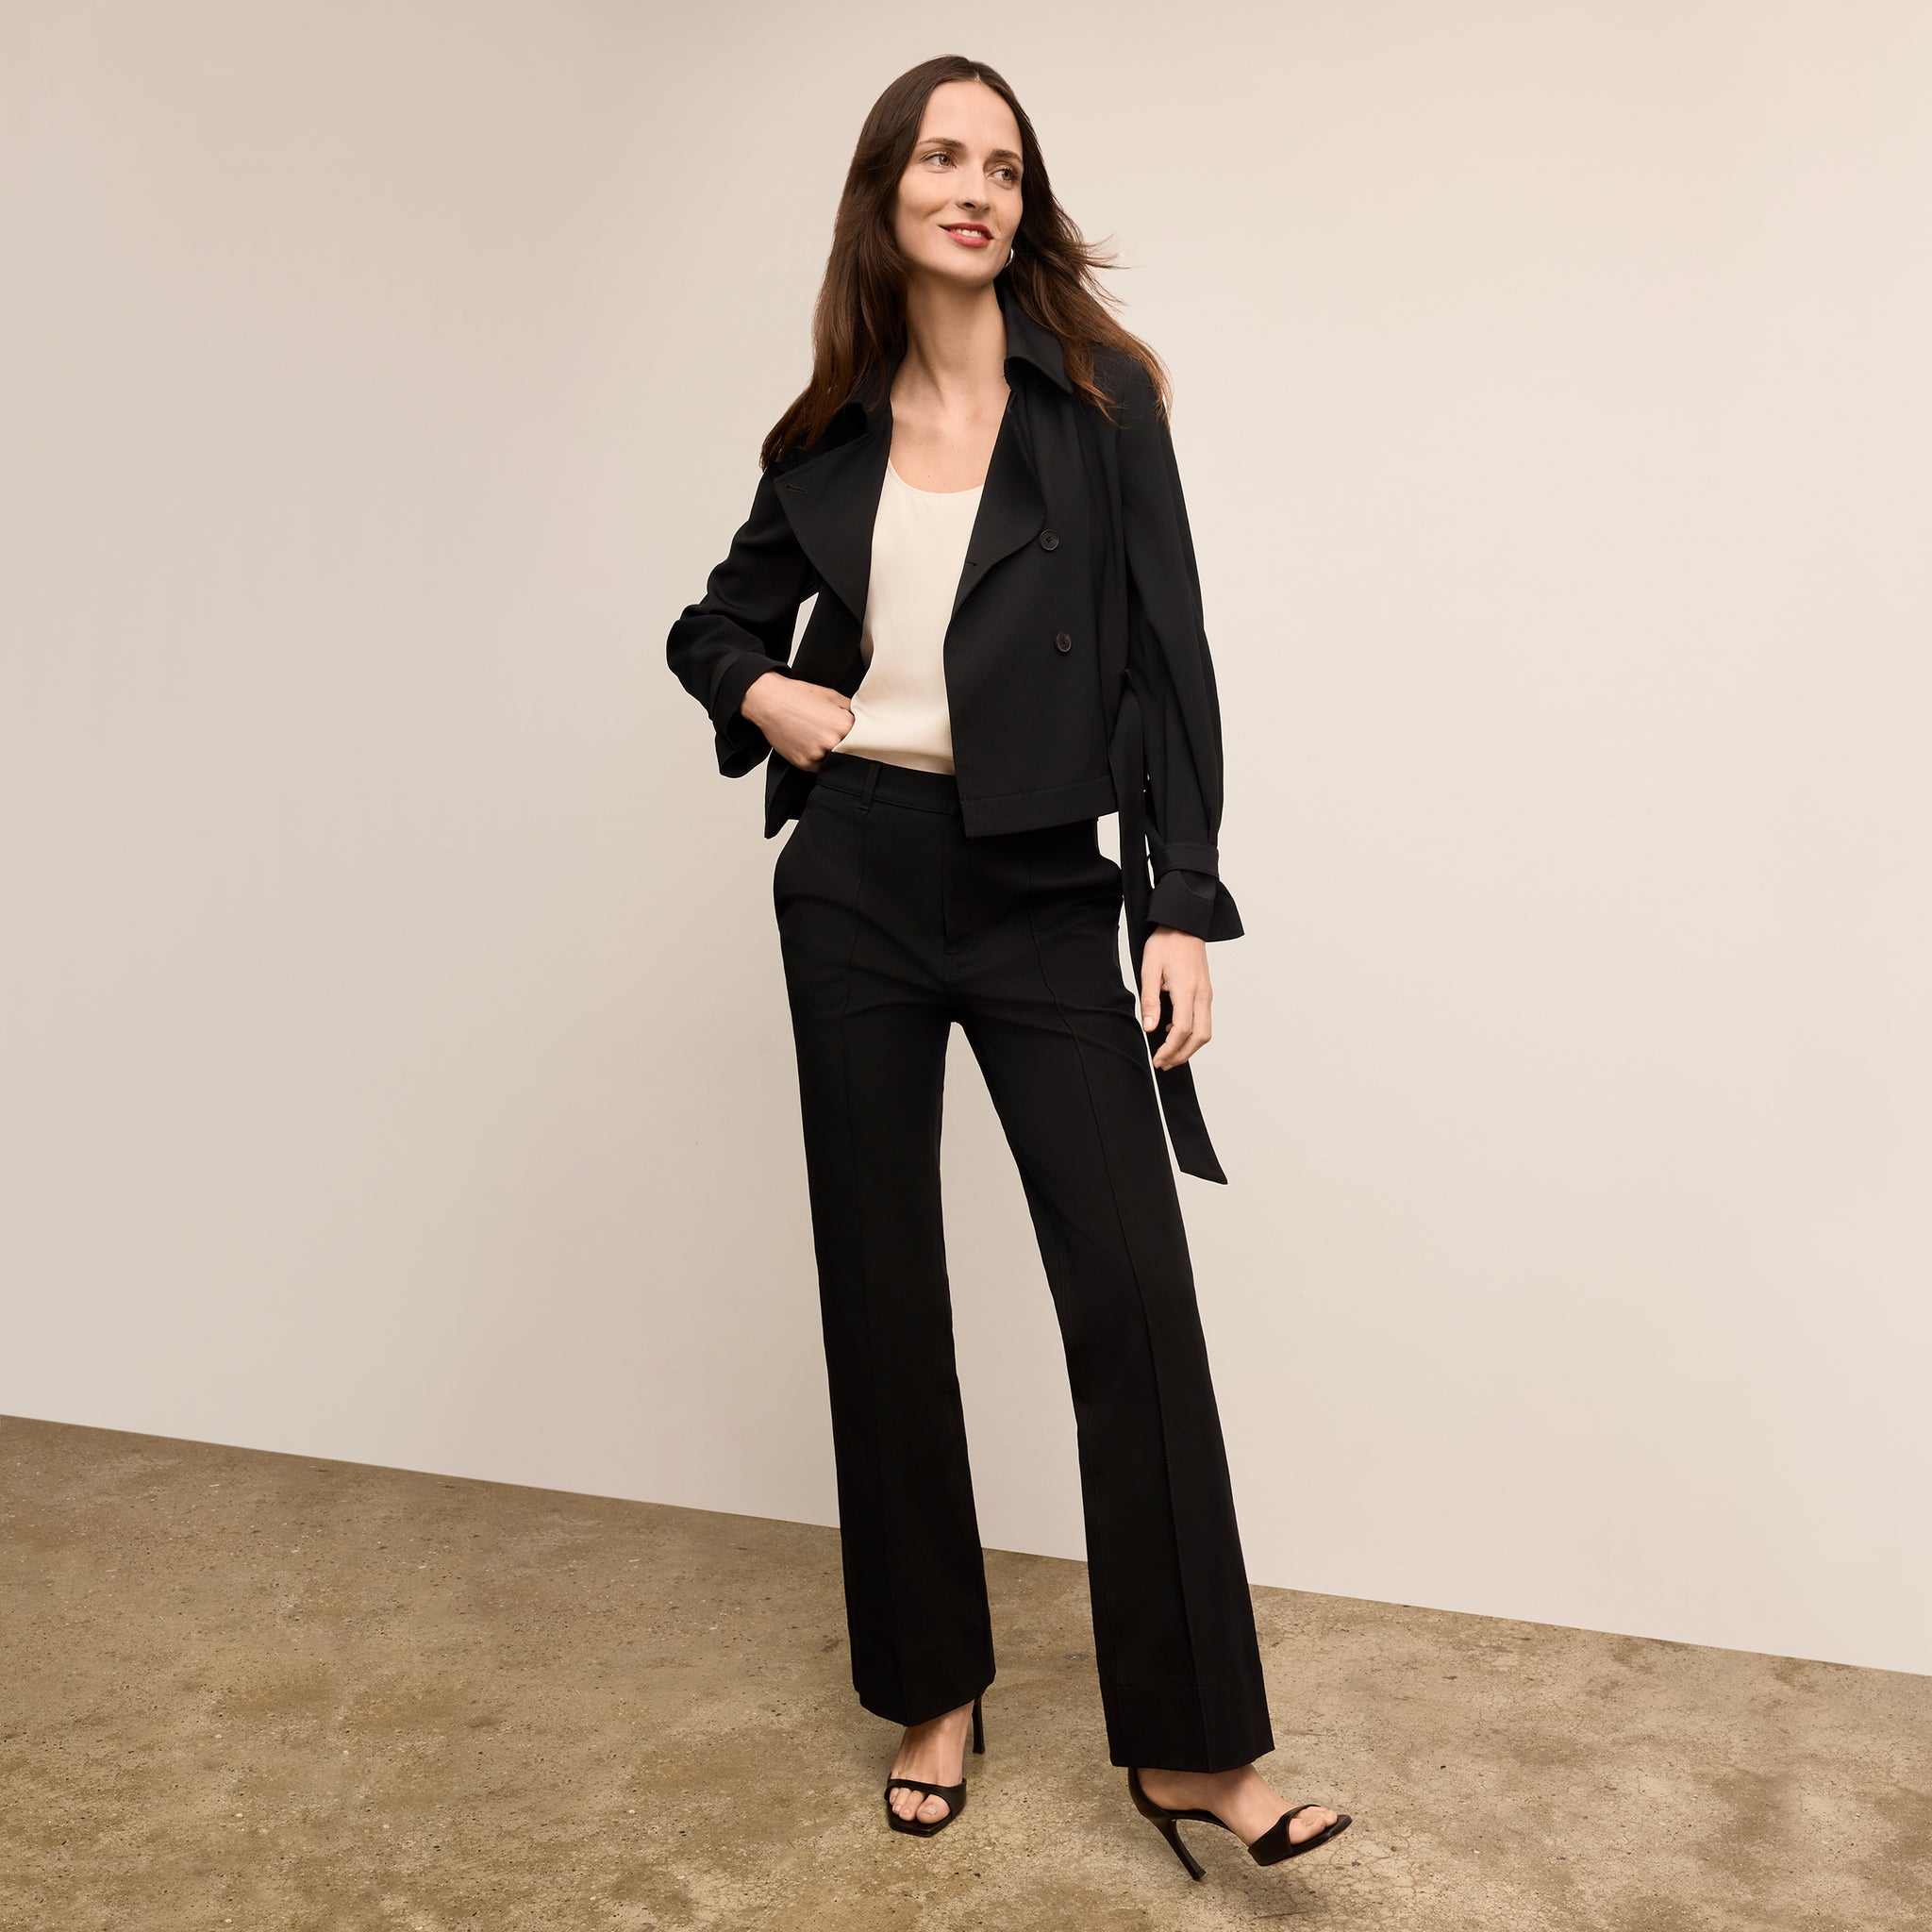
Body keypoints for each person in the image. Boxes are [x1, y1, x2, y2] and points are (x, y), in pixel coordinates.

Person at [666, 54, 1352, 1880]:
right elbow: (706, 620)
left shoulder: (1101, 402)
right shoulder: (825, 428)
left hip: (1047, 883)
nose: (973, 185)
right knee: (882, 1291)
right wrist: (767, 690)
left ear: (1023, 200)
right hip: (861, 883)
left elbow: (1172, 661)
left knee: (1130, 1295)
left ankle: (1197, 1750)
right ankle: (933, 1687)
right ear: (885, 189)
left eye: (1002, 162)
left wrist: (1181, 901)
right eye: (941, 156)